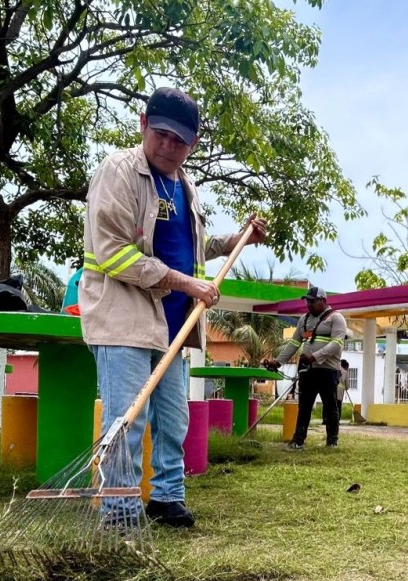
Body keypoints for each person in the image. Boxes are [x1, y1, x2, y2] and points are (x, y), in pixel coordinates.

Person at [80, 86, 267, 528]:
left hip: (173, 325)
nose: (169, 146)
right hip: (123, 318)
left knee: (172, 419)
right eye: (161, 134)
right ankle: (120, 510)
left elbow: (194, 246)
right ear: (143, 125)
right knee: (128, 419)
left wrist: (237, 238)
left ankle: (167, 498)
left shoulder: (186, 186)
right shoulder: (119, 172)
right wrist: (188, 284)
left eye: (179, 140)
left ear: (193, 144)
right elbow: (113, 253)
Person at [263, 287, 347, 449]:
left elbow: (336, 344)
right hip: (307, 370)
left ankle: (332, 441)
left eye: (312, 301)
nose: (308, 304)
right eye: (307, 301)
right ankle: (298, 441)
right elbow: (294, 343)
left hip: (328, 371)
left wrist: (315, 357)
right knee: (304, 406)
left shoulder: (336, 318)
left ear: (323, 301)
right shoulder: (304, 319)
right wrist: (278, 362)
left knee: (330, 407)